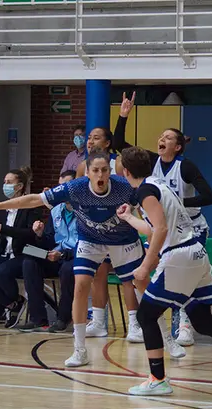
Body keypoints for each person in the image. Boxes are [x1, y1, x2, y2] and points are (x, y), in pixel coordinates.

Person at [0, 150, 185, 367]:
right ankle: (79, 350)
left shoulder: (124, 187)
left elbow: (149, 215)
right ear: (87, 172)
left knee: (141, 283)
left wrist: (152, 239)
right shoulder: (74, 188)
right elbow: (34, 199)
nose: (100, 175)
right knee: (81, 285)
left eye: (104, 170)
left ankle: (168, 340)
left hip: (123, 239)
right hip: (90, 239)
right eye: (95, 170)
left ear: (110, 171)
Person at [116, 146, 212, 395]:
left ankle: (157, 379)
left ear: (125, 171)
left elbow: (160, 230)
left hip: (180, 256)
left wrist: (145, 266)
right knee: (202, 322)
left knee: (146, 315)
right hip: (196, 254)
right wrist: (129, 219)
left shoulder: (146, 190)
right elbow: (153, 228)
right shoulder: (158, 184)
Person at [111, 92, 212, 346]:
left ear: (177, 146)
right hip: (163, 229)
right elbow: (118, 145)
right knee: (141, 274)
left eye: (168, 137)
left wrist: (181, 203)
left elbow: (209, 196)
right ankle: (149, 322)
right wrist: (123, 116)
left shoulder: (186, 166)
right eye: (161, 136)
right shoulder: (152, 162)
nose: (161, 139)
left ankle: (185, 325)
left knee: (182, 277)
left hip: (191, 229)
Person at [75, 126, 143, 343]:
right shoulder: (81, 167)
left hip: (121, 230)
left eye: (96, 138)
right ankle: (99, 322)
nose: (89, 141)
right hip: (95, 232)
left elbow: (133, 193)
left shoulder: (119, 164)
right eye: (88, 138)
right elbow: (76, 196)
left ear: (106, 143)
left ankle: (134, 324)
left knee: (128, 279)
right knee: (97, 276)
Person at [0, 166, 42, 328]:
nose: (5, 185)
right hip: (5, 252)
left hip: (25, 252)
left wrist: (3, 228)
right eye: (4, 182)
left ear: (19, 187)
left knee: (1, 272)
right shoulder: (3, 208)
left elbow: (31, 234)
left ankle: (15, 304)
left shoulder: (31, 206)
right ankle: (13, 304)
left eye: (9, 182)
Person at [16, 170, 79, 332]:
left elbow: (87, 243)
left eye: (65, 186)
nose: (61, 190)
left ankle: (63, 318)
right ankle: (38, 318)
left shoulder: (85, 211)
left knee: (67, 269)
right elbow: (50, 239)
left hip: (77, 256)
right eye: (59, 186)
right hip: (55, 255)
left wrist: (64, 254)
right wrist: (39, 235)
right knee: (30, 262)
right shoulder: (56, 210)